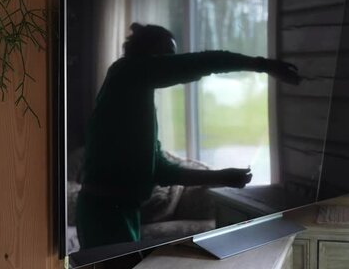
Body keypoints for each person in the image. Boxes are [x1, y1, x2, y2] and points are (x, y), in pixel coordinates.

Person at [76, 23, 302, 249]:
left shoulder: (135, 96)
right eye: (168, 54)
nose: (173, 61)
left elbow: (159, 170)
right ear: (150, 51)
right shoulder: (125, 72)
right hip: (104, 211)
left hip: (121, 210)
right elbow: (202, 62)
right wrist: (262, 65)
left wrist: (221, 177)